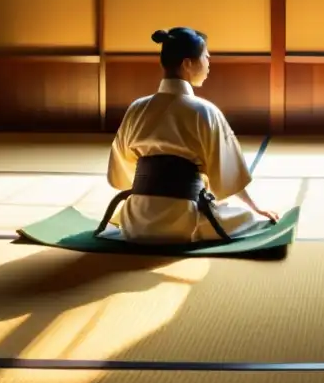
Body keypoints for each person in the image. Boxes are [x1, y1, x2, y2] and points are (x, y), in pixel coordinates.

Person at [98, 27, 279, 244]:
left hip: (136, 223)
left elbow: (121, 174)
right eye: (205, 56)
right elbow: (228, 174)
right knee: (248, 219)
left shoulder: (137, 108)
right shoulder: (205, 111)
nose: (209, 62)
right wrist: (256, 208)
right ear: (187, 64)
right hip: (184, 224)